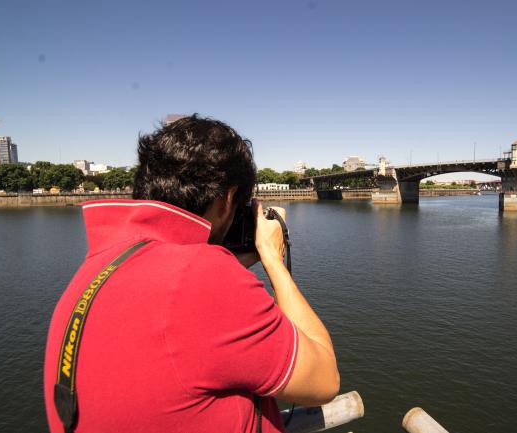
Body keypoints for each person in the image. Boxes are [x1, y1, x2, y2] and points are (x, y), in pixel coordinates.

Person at [43, 115, 340, 432]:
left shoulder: (99, 265)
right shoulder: (205, 279)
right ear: (228, 198)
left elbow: (167, 316)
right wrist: (272, 257)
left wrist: (228, 260)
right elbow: (323, 381)